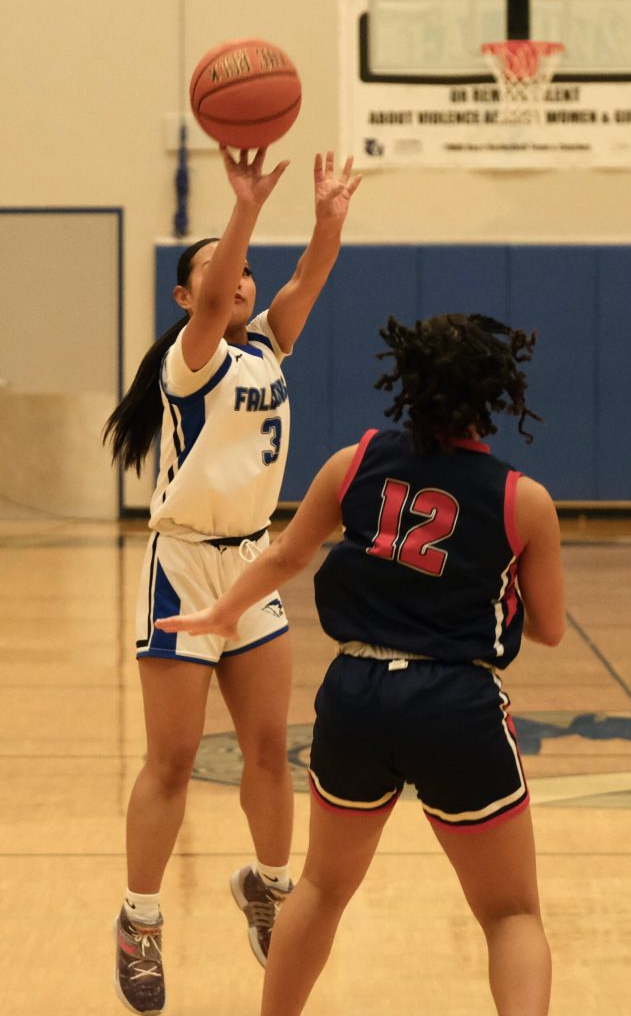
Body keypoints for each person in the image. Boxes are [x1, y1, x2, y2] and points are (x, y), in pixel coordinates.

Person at [156, 311, 566, 1016]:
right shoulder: (523, 501)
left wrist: (220, 614)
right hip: (456, 703)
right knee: (511, 914)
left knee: (320, 888)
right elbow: (551, 629)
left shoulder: (354, 462)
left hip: (357, 694)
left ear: (406, 383)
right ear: (496, 393)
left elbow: (284, 556)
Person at [103, 146, 361, 1015]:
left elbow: (308, 280)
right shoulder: (193, 357)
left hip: (251, 562)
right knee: (173, 759)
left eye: (247, 267)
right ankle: (140, 921)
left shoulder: (267, 348)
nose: (240, 278)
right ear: (186, 298)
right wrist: (244, 206)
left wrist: (328, 220)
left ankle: (269, 887)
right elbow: (218, 298)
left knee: (268, 748)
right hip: (183, 564)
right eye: (222, 270)